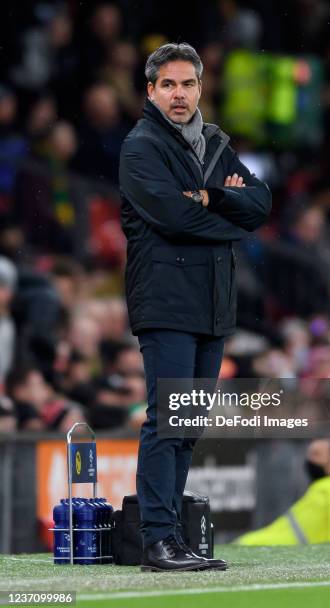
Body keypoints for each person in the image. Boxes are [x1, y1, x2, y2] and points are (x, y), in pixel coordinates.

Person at [120, 42, 271, 571]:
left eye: (187, 84)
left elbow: (262, 202)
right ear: (151, 91)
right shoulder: (140, 147)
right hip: (165, 303)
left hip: (211, 304)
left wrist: (208, 196)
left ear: (201, 88)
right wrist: (230, 217)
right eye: (168, 85)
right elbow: (174, 219)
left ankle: (173, 537)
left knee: (187, 424)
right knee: (166, 422)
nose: (179, 94)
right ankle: (157, 540)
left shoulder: (212, 143)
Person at [236, 439, 330, 546]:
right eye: (309, 454)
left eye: (316, 455)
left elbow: (289, 531)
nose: (309, 460)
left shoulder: (325, 488)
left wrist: (244, 542)